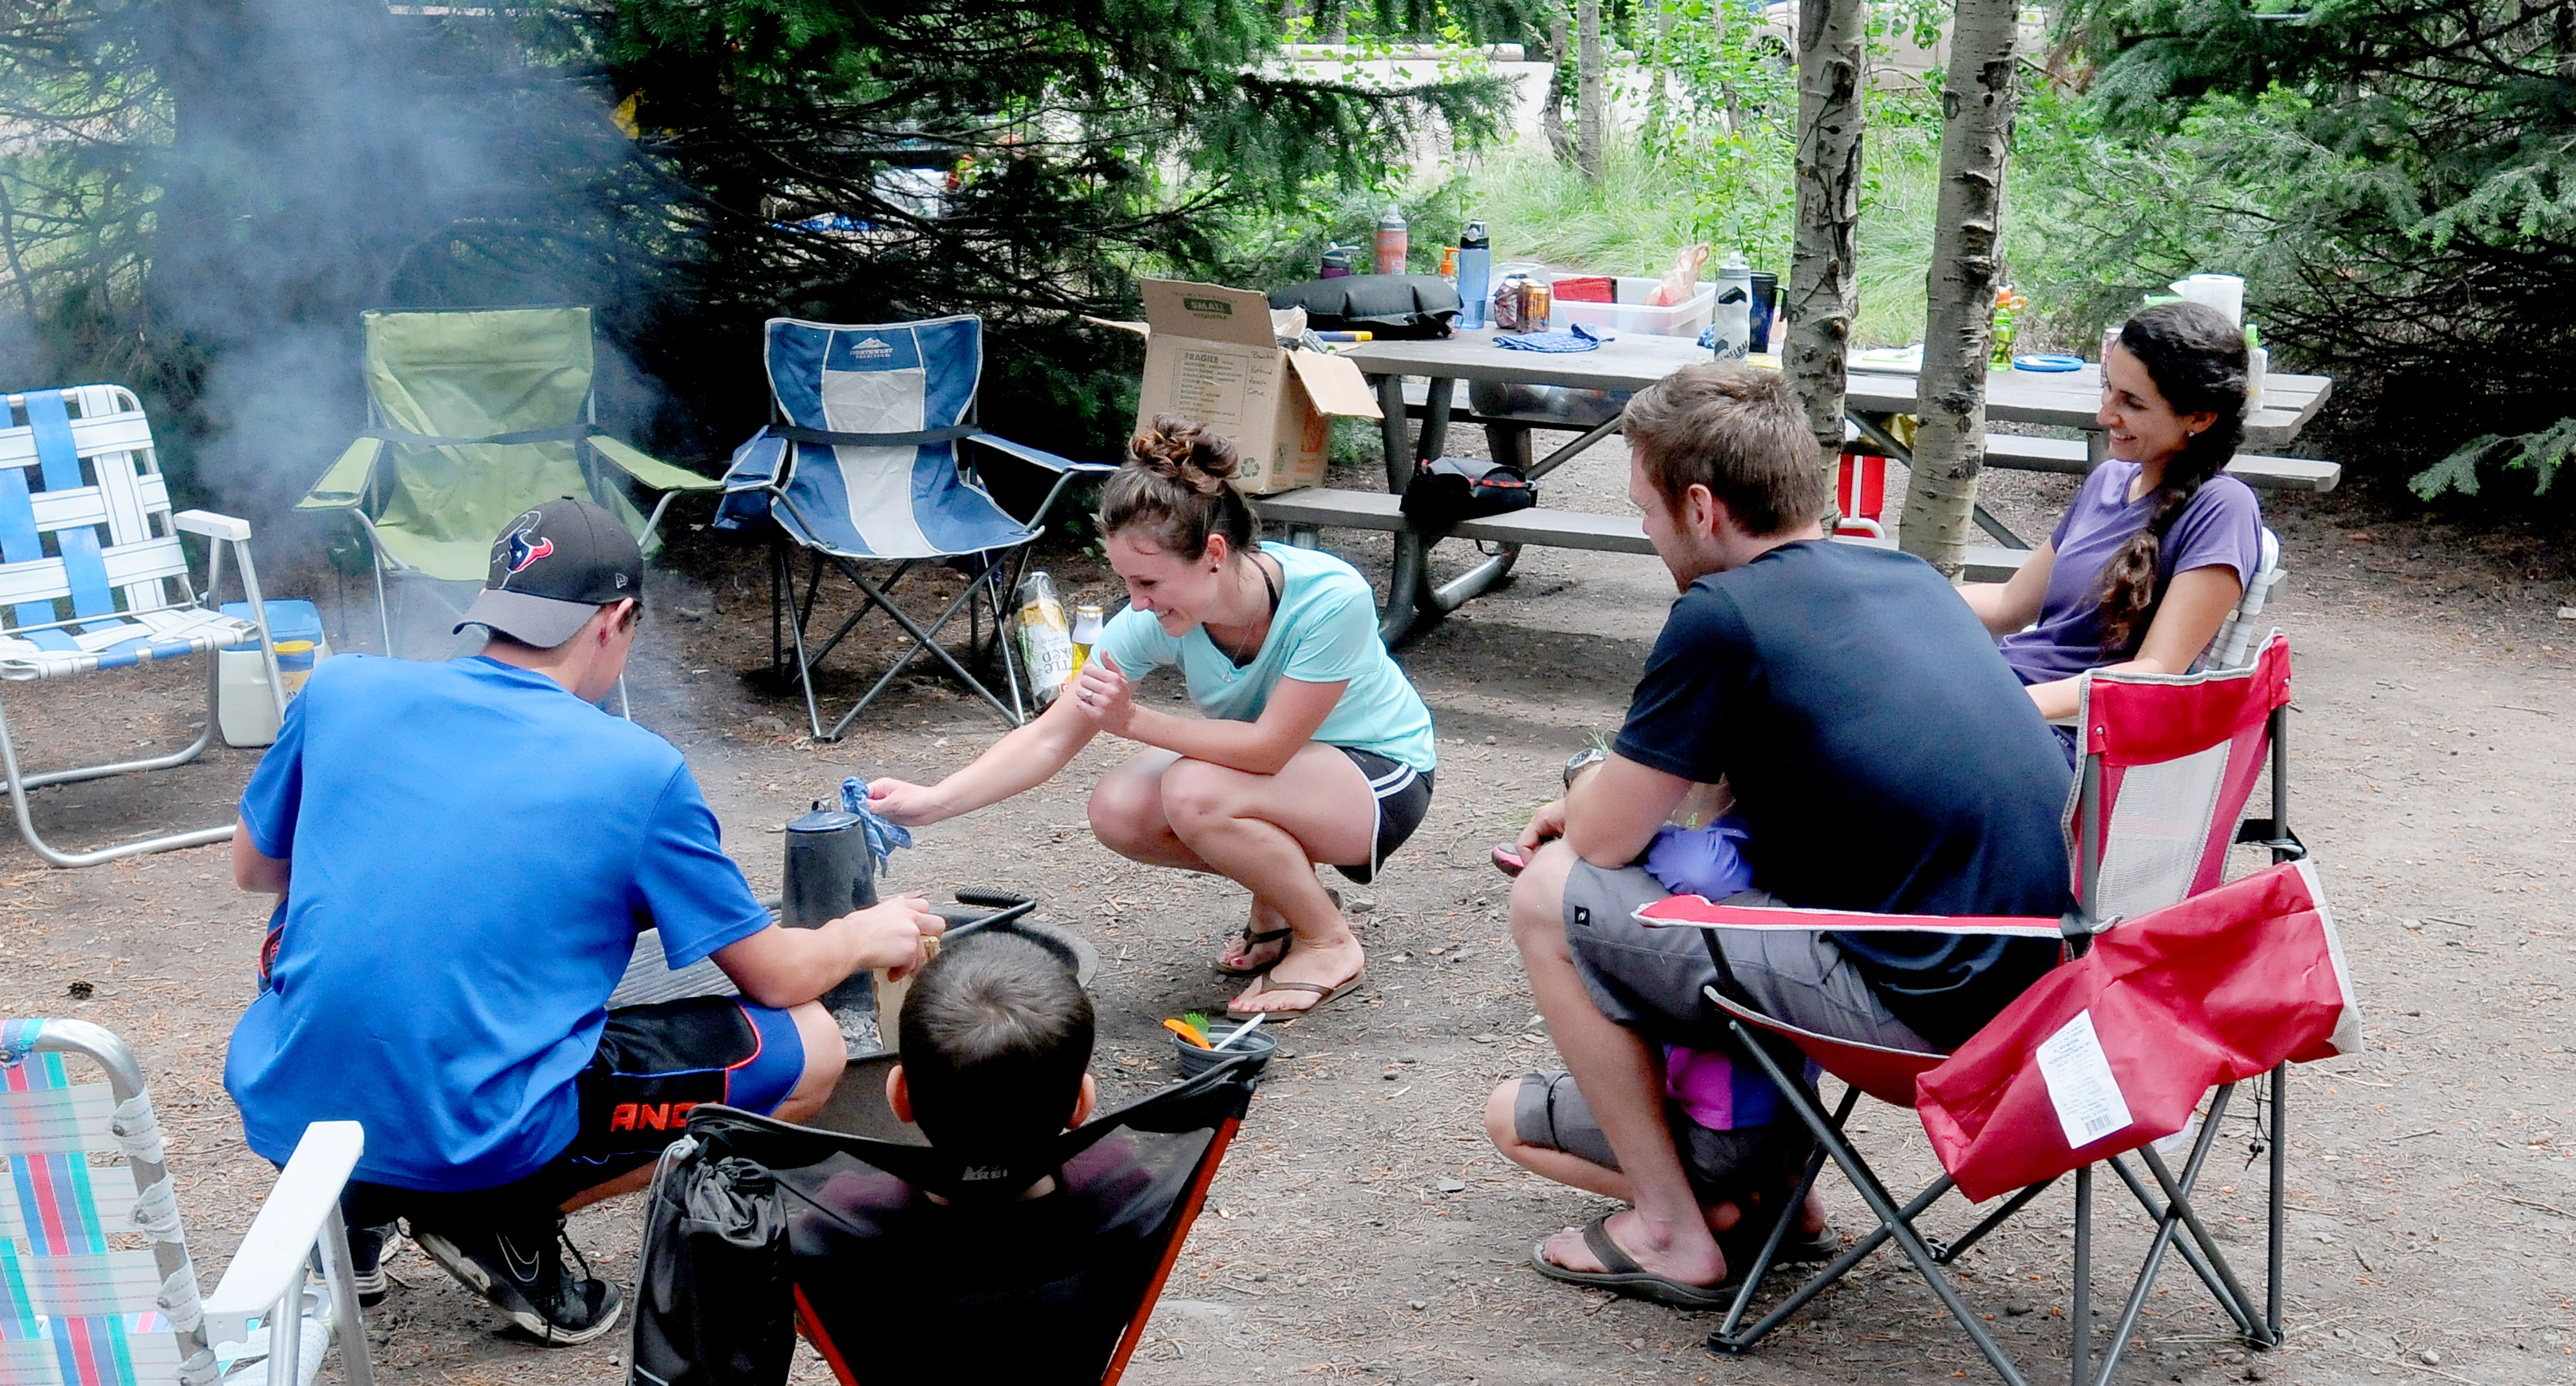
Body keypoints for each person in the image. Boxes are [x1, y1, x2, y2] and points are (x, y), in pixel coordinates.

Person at [224, 497, 942, 1346]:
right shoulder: (634, 768)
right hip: (474, 1131)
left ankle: (351, 1204)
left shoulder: (342, 687)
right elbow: (775, 976)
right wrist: (863, 931)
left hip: (292, 1102)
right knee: (807, 1045)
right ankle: (494, 1217)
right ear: (618, 619)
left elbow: (257, 869)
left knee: (313, 924)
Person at [1489, 362, 2072, 1306]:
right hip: (2040, 984)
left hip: (1930, 1016)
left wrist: (1585, 785)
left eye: (1644, 513)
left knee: (1547, 894)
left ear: (1700, 505)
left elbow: (1598, 843)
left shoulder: (1721, 616)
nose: (1645, 534)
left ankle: (1672, 1229)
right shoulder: (1907, 579)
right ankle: (1780, 1191)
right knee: (1752, 857)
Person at [861, 418, 1436, 1020]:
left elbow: (1267, 750)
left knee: (1193, 789)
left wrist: (1131, 720)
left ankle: (1326, 941)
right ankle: (1282, 900)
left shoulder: (1329, 596)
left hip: (1381, 779)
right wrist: (932, 802)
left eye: (1148, 581)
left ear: (1214, 554)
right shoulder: (1153, 617)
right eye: (1126, 582)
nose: (1136, 602)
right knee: (1120, 807)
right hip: (1285, 780)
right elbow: (1054, 733)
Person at [823, 932, 1153, 1386]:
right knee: (1025, 1290)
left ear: (899, 1095)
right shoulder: (1120, 1184)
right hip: (1048, 1369)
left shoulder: (846, 1209)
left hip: (902, 1380)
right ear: (1082, 1102)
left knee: (838, 1296)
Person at [1964, 298, 2261, 720]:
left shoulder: (2221, 509)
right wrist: (1910, 601)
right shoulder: (2108, 481)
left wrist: (2006, 708)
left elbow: (2155, 672)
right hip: (1999, 693)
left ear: (2199, 417)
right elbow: (2011, 603)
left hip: (2065, 735)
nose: (2105, 415)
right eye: (2107, 387)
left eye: (2132, 403)